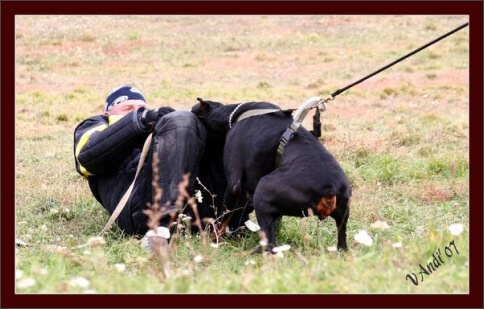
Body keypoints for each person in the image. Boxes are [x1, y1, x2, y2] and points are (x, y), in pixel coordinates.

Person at [73, 84, 208, 242]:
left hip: (194, 206)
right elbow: (87, 159)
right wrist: (139, 120)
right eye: (128, 108)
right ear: (108, 113)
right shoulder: (95, 125)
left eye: (142, 108)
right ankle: (160, 227)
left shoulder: (162, 128)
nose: (138, 110)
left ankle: (234, 216)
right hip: (139, 211)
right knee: (181, 119)